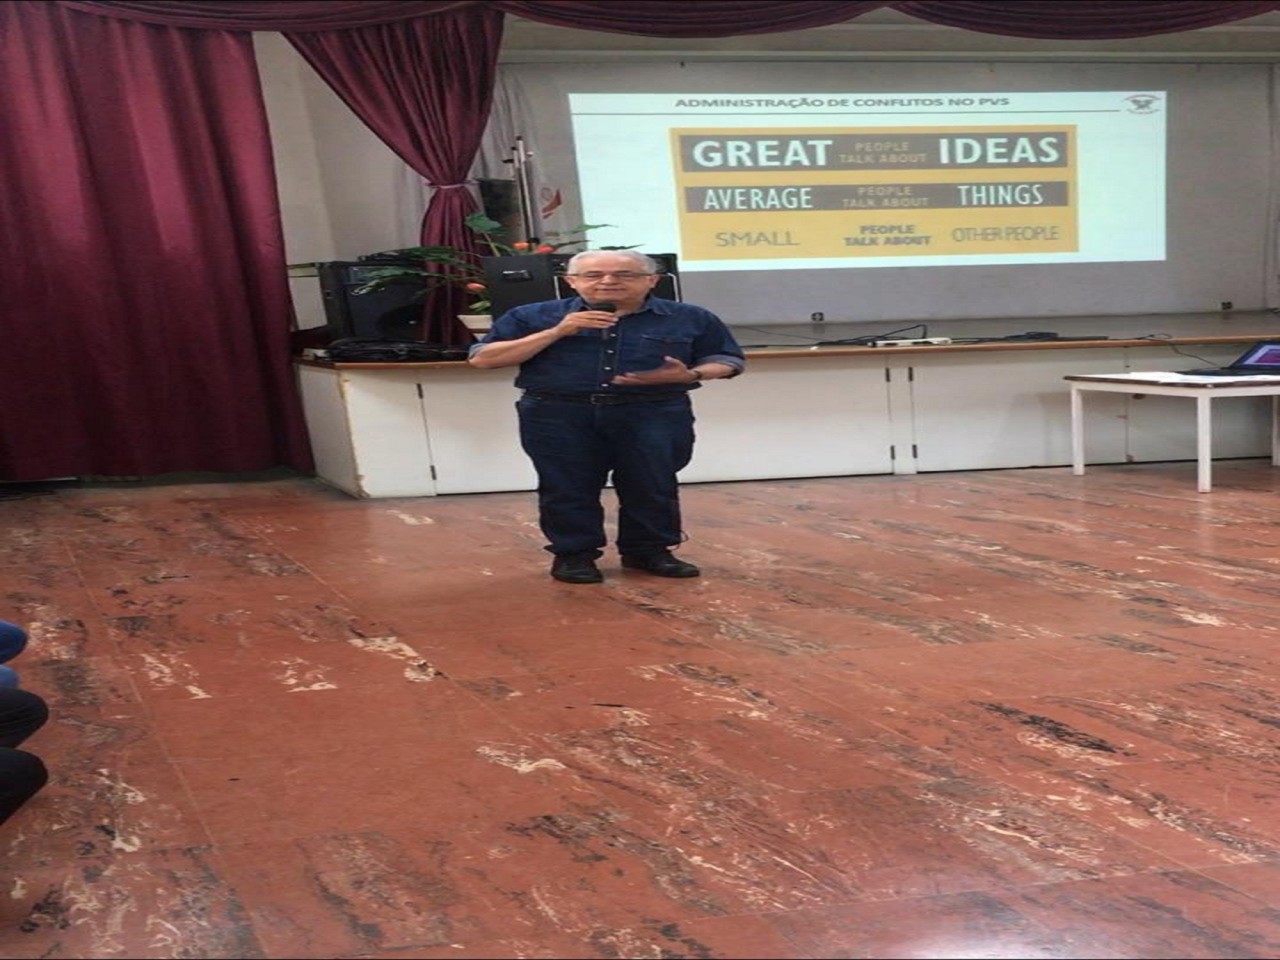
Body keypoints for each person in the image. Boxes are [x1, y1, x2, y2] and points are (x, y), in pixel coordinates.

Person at [469, 250, 745, 583]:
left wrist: (691, 375)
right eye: (593, 275)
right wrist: (557, 331)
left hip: (653, 411)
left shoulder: (690, 317)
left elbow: (728, 359)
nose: (608, 281)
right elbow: (484, 359)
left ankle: (649, 551)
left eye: (624, 274)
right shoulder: (531, 316)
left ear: (652, 280)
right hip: (557, 413)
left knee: (652, 483)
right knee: (566, 486)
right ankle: (574, 555)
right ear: (571, 281)